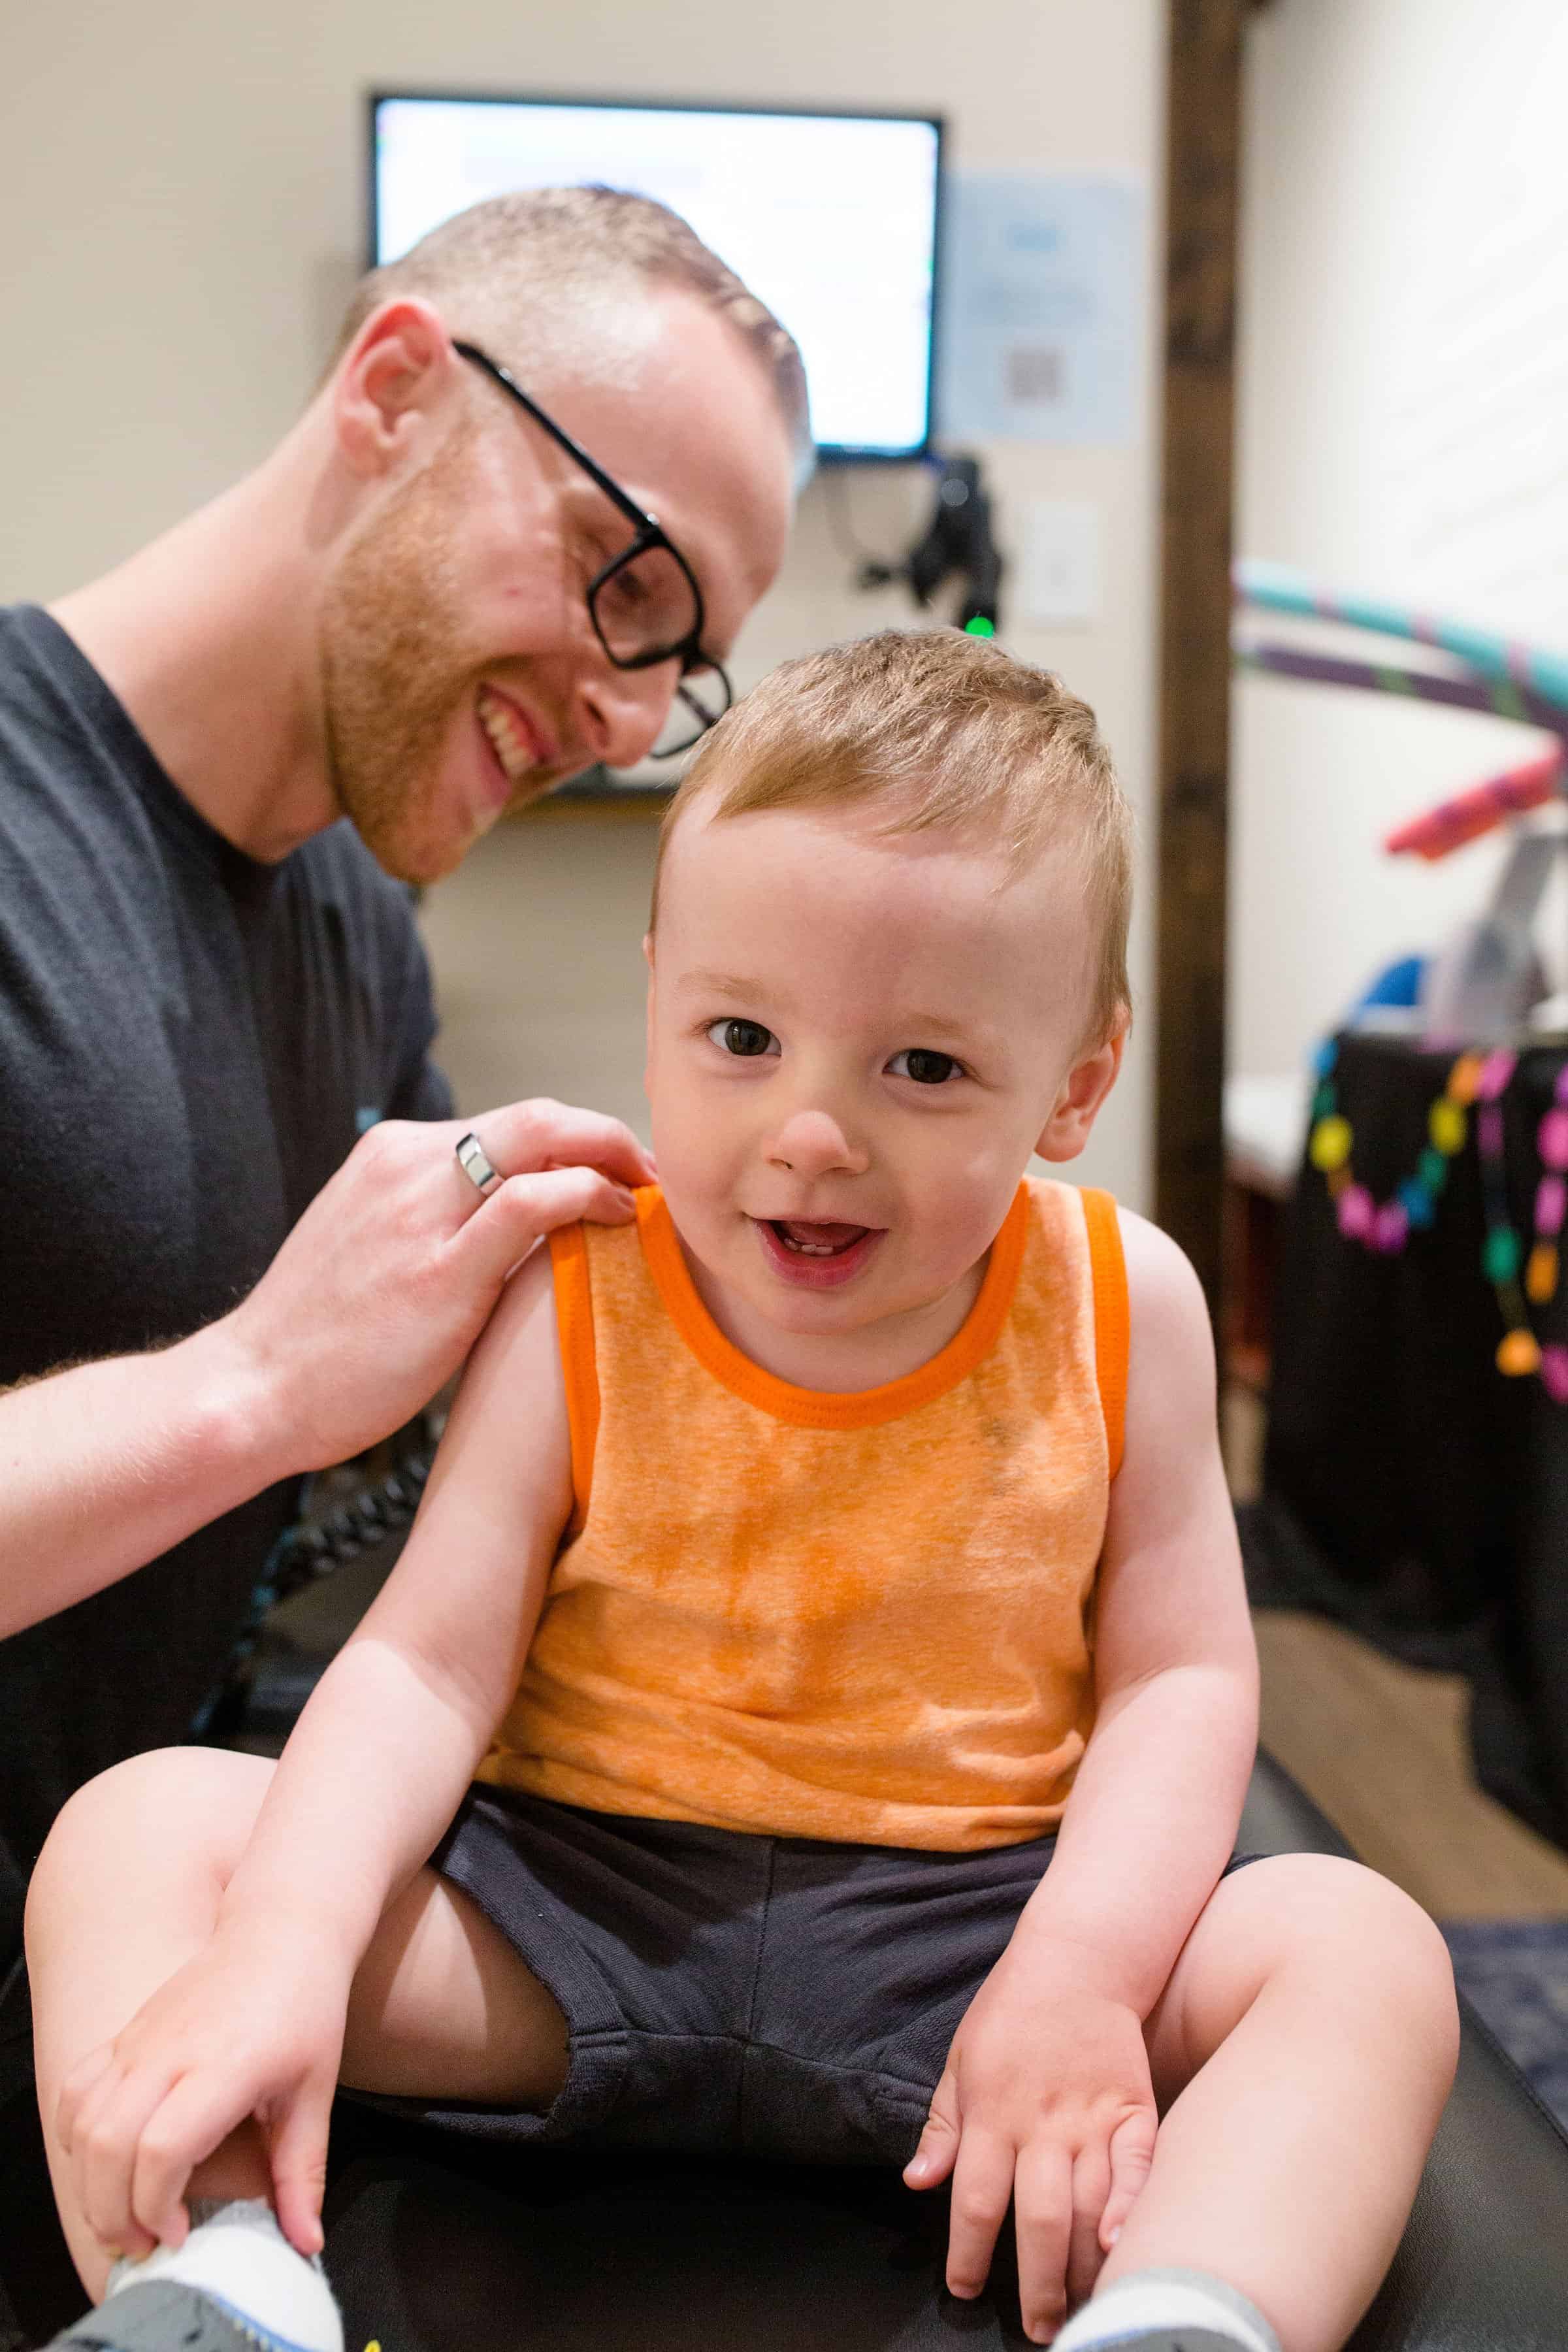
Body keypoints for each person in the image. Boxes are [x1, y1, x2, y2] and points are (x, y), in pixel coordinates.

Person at [25, 632, 1458, 2352]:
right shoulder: (578, 1289)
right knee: (140, 1832)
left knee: (1357, 1948)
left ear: (1077, 1082)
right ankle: (220, 2284)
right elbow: (423, 1664)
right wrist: (285, 1941)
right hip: (565, 1921)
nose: (811, 1132)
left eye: (922, 1068)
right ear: (657, 1006)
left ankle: (1183, 2320)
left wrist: (1077, 1976)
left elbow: (1180, 1680)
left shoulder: (1123, 1302)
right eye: (741, 1037)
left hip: (972, 1949)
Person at [0, 184, 806, 2001]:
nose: (629, 720)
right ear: (392, 395)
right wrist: (251, 1389)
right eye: (627, 582)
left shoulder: (360, 931)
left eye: (680, 672)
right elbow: (284, 1381)